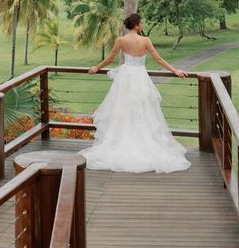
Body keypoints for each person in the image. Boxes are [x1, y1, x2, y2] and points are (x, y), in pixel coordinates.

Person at [79, 12, 191, 173]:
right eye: (141, 22)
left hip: (125, 77)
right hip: (140, 77)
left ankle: (123, 141)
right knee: (143, 110)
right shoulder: (145, 40)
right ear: (137, 24)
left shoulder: (121, 40)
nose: (142, 24)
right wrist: (175, 70)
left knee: (123, 108)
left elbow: (110, 58)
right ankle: (142, 141)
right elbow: (158, 59)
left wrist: (96, 67)